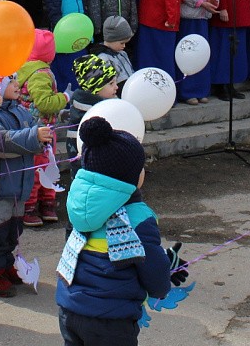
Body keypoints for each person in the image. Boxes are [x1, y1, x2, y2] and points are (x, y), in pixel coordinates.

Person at [55, 116, 181, 346]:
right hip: (111, 318)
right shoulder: (139, 217)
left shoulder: (79, 204)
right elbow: (151, 266)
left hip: (70, 309)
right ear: (129, 176)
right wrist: (163, 285)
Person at [0, 60, 52, 297]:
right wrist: (33, 136)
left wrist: (41, 137)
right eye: (10, 80)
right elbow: (0, 141)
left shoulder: (20, 110)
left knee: (12, 232)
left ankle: (5, 266)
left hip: (18, 184)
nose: (17, 84)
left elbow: (30, 132)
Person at [14, 30, 67, 227]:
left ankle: (46, 203)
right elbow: (45, 103)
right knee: (41, 167)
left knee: (43, 166)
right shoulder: (41, 74)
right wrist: (64, 98)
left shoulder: (23, 70)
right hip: (41, 130)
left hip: (33, 128)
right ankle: (32, 206)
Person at [93, 17, 136, 88]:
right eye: (122, 43)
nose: (124, 46)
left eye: (125, 43)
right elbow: (105, 85)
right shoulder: (103, 58)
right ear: (111, 39)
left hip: (129, 88)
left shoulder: (123, 54)